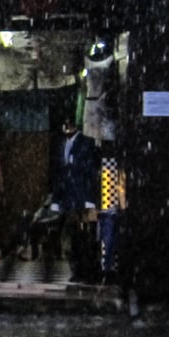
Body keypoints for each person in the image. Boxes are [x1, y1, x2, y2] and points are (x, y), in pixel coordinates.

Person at [52, 118, 100, 282]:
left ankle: (86, 270)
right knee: (72, 236)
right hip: (69, 196)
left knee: (84, 236)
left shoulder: (85, 143)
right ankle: (77, 270)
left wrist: (89, 198)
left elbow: (89, 171)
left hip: (81, 195)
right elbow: (59, 173)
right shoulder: (62, 144)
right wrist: (57, 199)